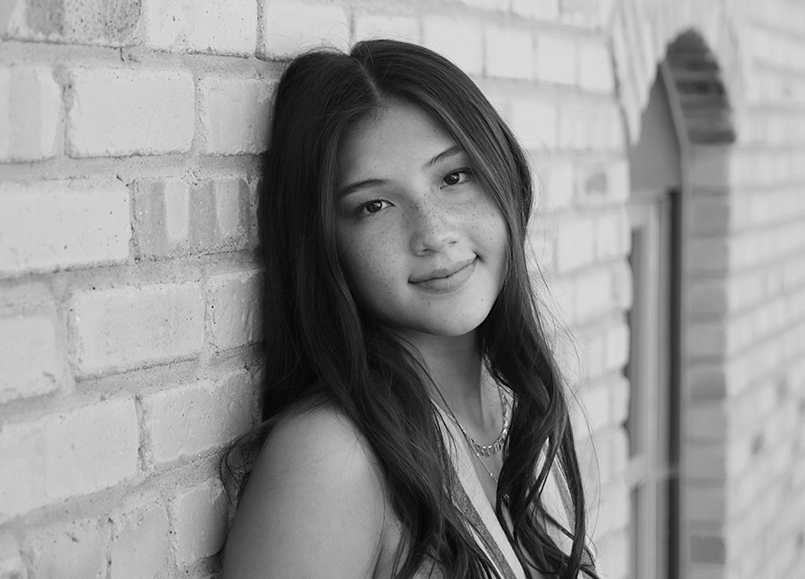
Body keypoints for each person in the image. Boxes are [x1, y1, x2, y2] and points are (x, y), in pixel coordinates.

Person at [222, 39, 599, 579]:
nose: (433, 233)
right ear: (326, 245)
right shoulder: (331, 458)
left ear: (504, 178)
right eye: (374, 205)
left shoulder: (522, 408)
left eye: (454, 176)